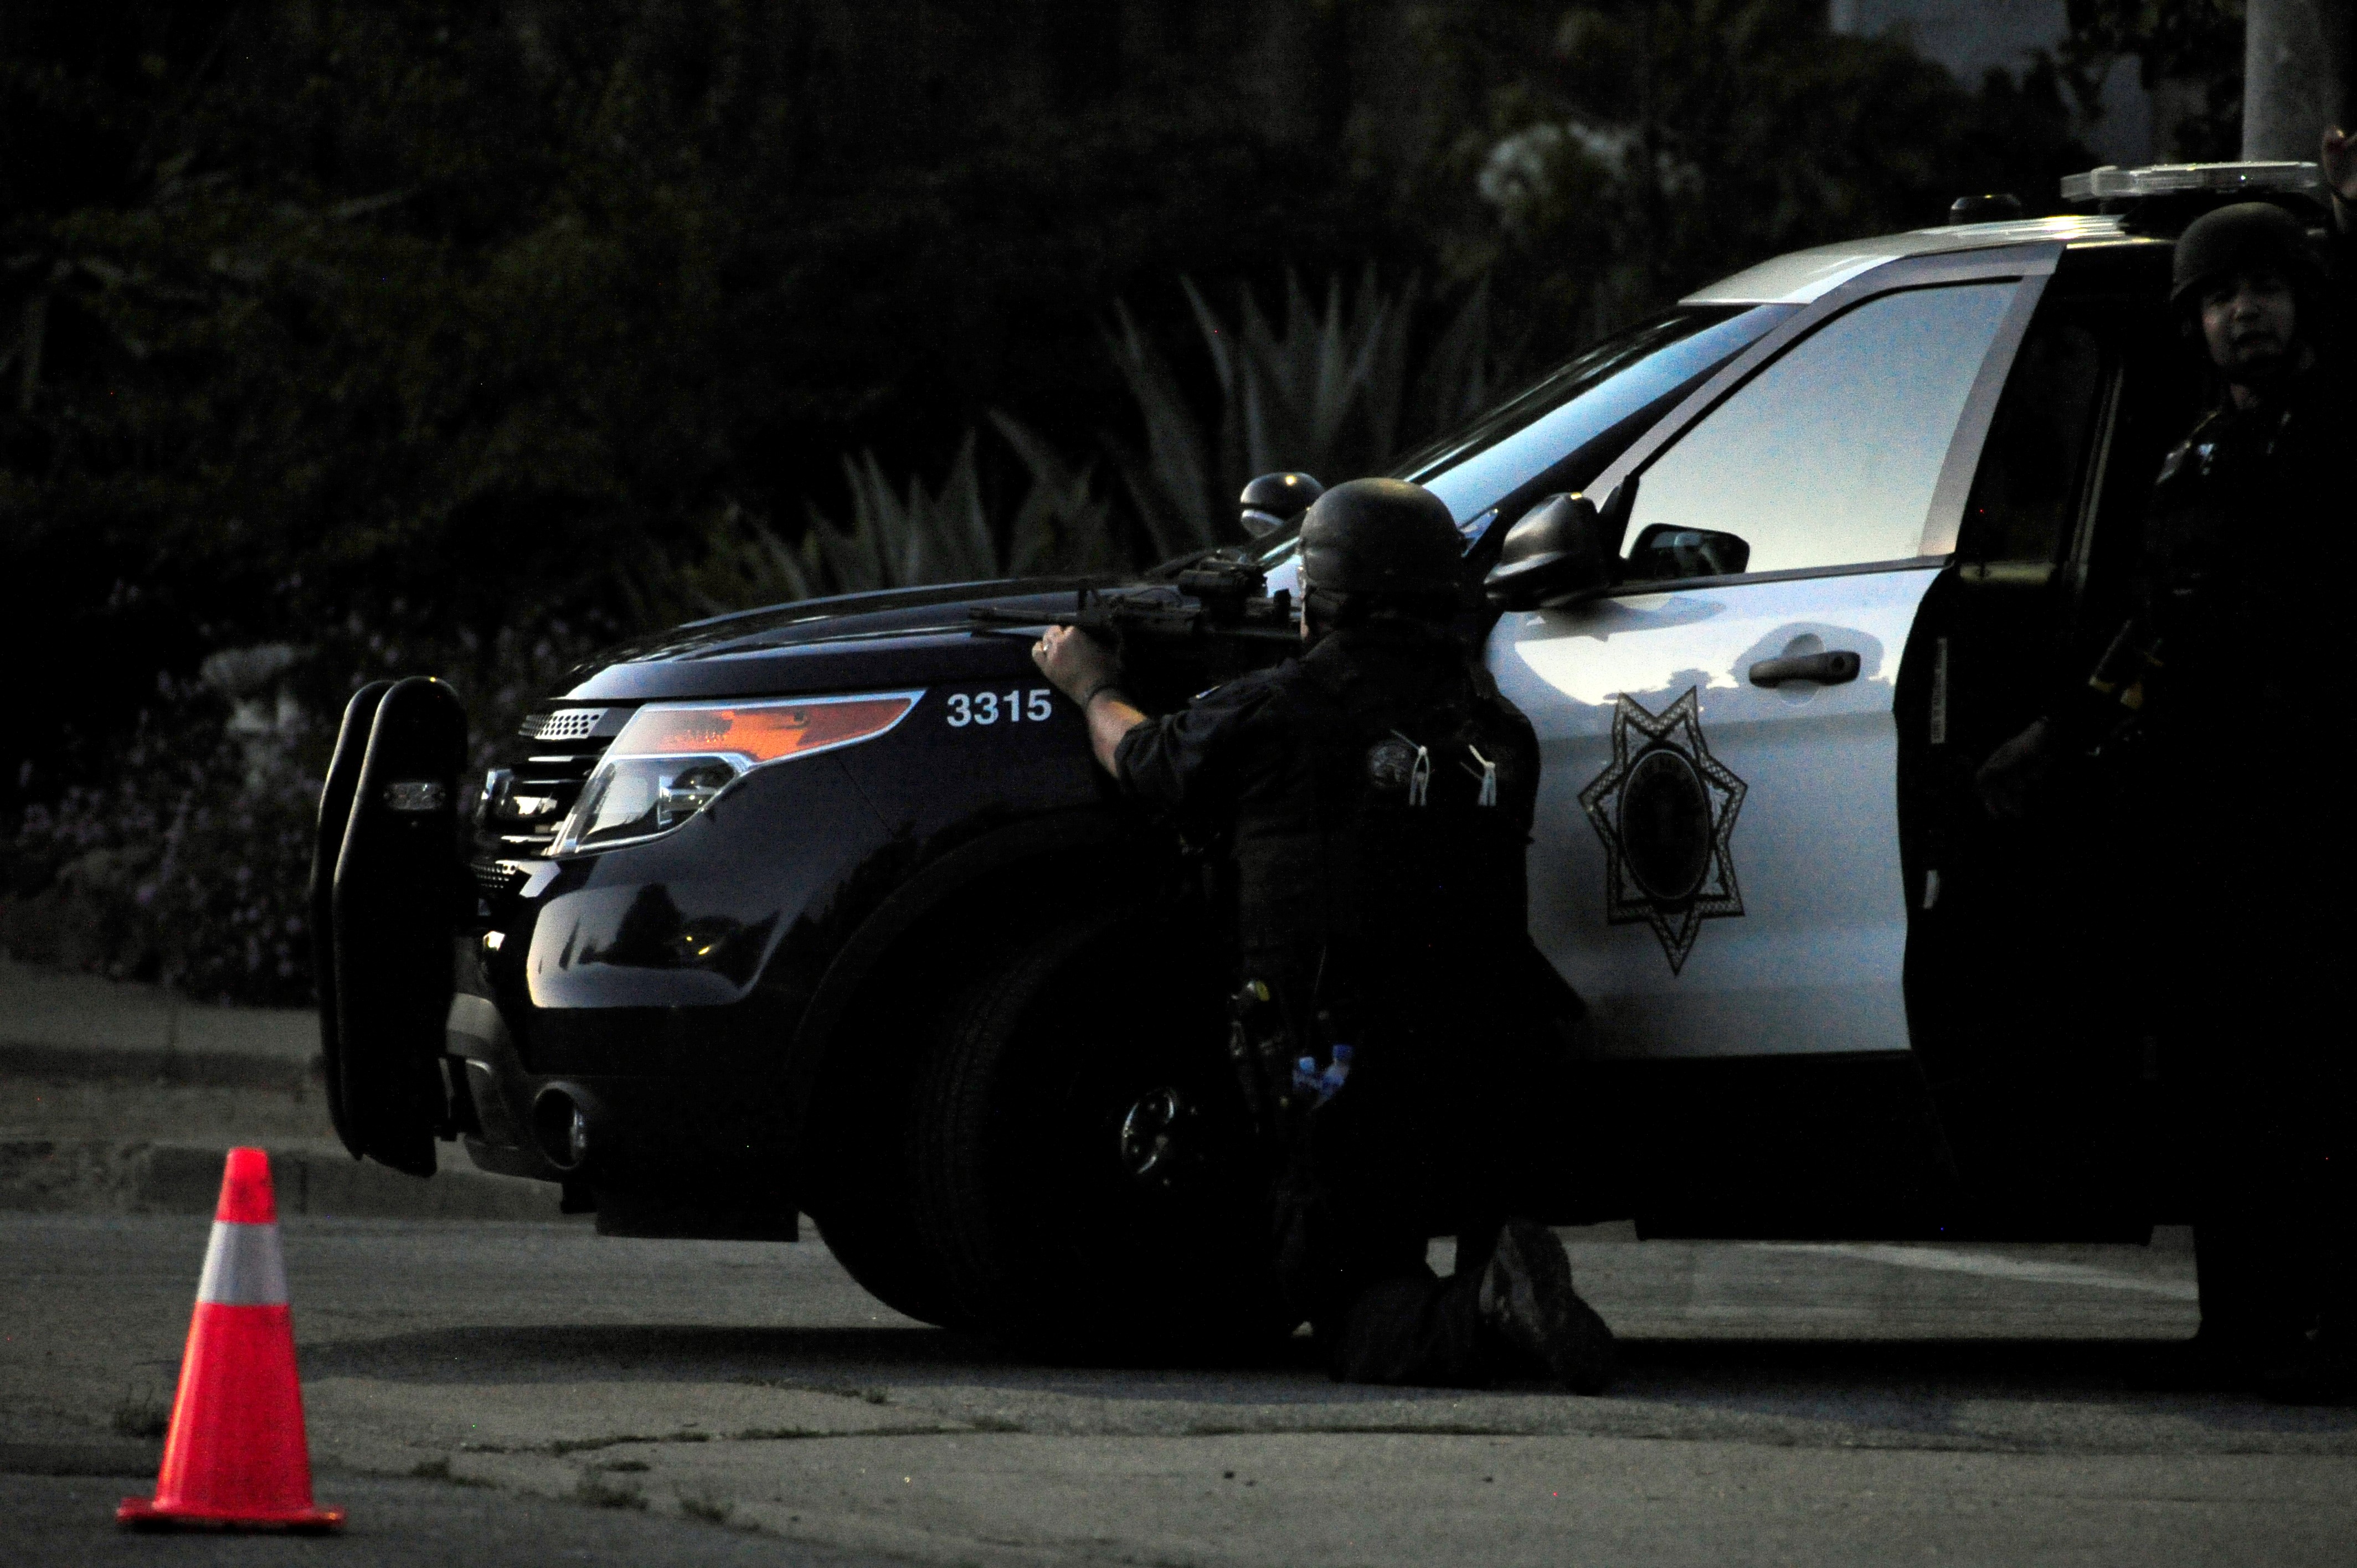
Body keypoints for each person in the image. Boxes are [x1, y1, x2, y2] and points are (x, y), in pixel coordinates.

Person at [1031, 477, 1615, 1391]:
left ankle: (1486, 1310)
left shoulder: (1282, 707)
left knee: (1345, 1304)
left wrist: (1091, 681)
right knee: (1406, 1229)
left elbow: (1145, 760)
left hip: (1343, 1063)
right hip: (1492, 1057)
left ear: (1322, 599)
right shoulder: (1502, 729)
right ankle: (1493, 1288)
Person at [1978, 130, 2357, 1399]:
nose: (2246, 315)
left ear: (2304, 303)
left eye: (2267, 290)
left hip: (2327, 822)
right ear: (2194, 325)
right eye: (2222, 299)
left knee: (2321, 1093)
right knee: (2219, 1090)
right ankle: (2241, 1324)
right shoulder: (2187, 470)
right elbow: (2146, 638)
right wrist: (2058, 740)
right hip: (2214, 827)